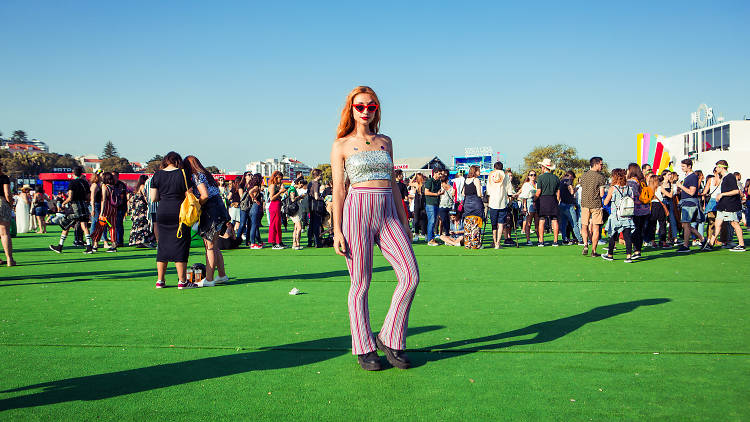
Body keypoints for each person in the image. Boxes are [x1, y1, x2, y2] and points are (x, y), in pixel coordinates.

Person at [331, 86, 418, 371]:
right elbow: (339, 188)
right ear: (351, 110)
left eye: (371, 106)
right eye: (360, 107)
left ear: (377, 109)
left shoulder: (386, 141)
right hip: (356, 211)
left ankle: (390, 337)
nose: (366, 111)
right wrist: (337, 230)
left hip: (389, 212)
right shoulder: (341, 145)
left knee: (410, 275)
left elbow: (393, 183)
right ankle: (364, 347)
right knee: (361, 283)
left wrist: (404, 219)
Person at [150, 152, 197, 289]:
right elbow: (189, 194)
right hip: (179, 211)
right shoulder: (183, 174)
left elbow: (153, 198)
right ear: (178, 161)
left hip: (162, 211)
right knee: (180, 244)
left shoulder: (157, 175)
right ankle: (182, 281)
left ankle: (160, 280)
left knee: (162, 245)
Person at [184, 155, 230, 286]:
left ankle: (209, 279)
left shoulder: (196, 176)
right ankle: (221, 275)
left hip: (210, 211)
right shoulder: (206, 174)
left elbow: (204, 195)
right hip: (220, 208)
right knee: (215, 245)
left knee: (209, 246)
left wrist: (197, 204)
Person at [702, 160, 745, 252]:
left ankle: (741, 244)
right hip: (723, 205)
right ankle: (710, 244)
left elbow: (736, 191)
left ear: (722, 167)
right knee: (717, 224)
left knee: (734, 223)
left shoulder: (730, 177)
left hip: (729, 205)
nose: (716, 169)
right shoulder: (724, 177)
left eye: (717, 167)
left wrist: (722, 194)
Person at [49, 167, 94, 254]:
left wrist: (63, 203)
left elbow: (70, 197)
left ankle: (60, 246)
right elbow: (88, 197)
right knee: (84, 226)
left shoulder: (72, 183)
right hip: (84, 206)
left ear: (73, 173)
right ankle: (89, 246)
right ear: (81, 173)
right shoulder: (85, 183)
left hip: (74, 208)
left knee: (66, 225)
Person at [601, 169, 635, 263]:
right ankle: (629, 256)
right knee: (627, 237)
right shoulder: (629, 188)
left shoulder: (613, 188)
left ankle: (610, 254)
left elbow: (605, 202)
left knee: (613, 236)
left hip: (616, 216)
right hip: (627, 215)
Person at [675, 159, 706, 253]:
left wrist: (680, 186)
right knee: (686, 224)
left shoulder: (692, 177)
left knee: (686, 224)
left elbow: (692, 192)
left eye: (683, 166)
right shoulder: (688, 176)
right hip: (687, 203)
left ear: (689, 166)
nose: (682, 168)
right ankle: (702, 240)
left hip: (689, 203)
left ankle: (687, 245)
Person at [487, 161, 514, 249]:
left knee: (494, 224)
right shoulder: (505, 176)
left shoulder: (491, 175)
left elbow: (488, 190)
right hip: (502, 202)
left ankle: (494, 241)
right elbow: (509, 190)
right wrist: (510, 200)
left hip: (493, 202)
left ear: (495, 168)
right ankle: (498, 242)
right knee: (501, 223)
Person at [90, 172, 119, 252]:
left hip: (107, 209)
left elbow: (103, 200)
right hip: (114, 208)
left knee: (100, 226)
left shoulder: (104, 186)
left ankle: (95, 245)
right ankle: (114, 245)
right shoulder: (113, 186)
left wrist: (101, 212)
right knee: (112, 227)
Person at [626, 163, 650, 259]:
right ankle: (638, 250)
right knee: (640, 230)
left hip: (635, 209)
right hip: (645, 208)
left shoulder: (631, 182)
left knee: (634, 230)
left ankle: (635, 250)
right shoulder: (642, 180)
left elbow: (632, 194)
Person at [534, 158, 560, 246]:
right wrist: (557, 200)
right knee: (554, 220)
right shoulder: (556, 178)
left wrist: (534, 199)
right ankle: (555, 241)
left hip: (543, 200)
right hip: (553, 199)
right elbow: (558, 192)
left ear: (544, 167)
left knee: (542, 220)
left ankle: (541, 241)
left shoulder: (541, 177)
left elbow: (538, 191)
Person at [128, 175, 155, 248]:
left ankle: (138, 241)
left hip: (137, 209)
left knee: (138, 224)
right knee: (143, 223)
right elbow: (145, 196)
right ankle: (144, 240)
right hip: (142, 208)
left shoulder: (137, 188)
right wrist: (149, 203)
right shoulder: (143, 187)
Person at [558, 171, 582, 245]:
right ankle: (580, 239)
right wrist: (575, 189)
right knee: (574, 223)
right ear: (571, 176)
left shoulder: (561, 181)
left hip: (562, 204)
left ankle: (565, 239)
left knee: (564, 223)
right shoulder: (568, 181)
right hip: (569, 205)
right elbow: (571, 192)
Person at [0, 163, 15, 266]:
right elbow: (8, 194)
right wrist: (10, 204)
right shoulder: (4, 178)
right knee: (5, 233)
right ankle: (9, 259)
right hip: (2, 203)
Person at [267, 170, 287, 249]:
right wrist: (280, 192)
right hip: (274, 205)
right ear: (276, 178)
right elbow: (271, 198)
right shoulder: (272, 186)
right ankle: (274, 243)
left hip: (277, 205)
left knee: (278, 225)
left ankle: (279, 241)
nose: (280, 180)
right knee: (274, 225)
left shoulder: (276, 185)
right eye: (279, 178)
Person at [423, 167, 443, 246]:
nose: (440, 175)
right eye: (439, 173)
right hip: (430, 204)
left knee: (434, 222)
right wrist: (436, 194)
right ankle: (430, 240)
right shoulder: (429, 181)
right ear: (434, 173)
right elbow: (426, 192)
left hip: (436, 203)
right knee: (431, 221)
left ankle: (432, 238)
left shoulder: (439, 181)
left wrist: (440, 193)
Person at [519, 171, 539, 246]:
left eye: (534, 175)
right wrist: (524, 207)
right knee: (528, 222)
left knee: (537, 223)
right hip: (529, 201)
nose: (533, 176)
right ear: (528, 176)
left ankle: (539, 239)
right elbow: (524, 196)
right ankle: (528, 240)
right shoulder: (526, 185)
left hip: (537, 201)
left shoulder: (537, 184)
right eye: (531, 175)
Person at [290, 178, 308, 250]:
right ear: (298, 183)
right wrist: (301, 196)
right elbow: (293, 199)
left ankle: (295, 243)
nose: (302, 186)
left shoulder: (293, 189)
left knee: (296, 228)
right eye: (301, 184)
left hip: (296, 210)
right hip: (295, 210)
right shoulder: (292, 189)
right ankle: (296, 244)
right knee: (299, 227)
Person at [437, 170, 455, 243]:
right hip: (450, 205)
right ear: (447, 180)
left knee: (444, 221)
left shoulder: (440, 187)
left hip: (442, 205)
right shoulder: (451, 187)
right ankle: (449, 234)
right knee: (450, 221)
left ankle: (446, 234)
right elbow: (453, 196)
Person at [307, 168, 324, 247]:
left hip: (311, 205)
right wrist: (322, 198)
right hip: (316, 205)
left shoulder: (310, 183)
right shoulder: (316, 183)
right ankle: (317, 242)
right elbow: (316, 196)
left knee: (311, 224)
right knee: (316, 224)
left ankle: (310, 241)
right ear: (318, 175)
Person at [408, 173, 427, 241]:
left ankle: (420, 234)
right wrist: (414, 176)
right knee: (420, 219)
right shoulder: (420, 184)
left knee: (421, 219)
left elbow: (410, 183)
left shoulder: (422, 184)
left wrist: (414, 176)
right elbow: (410, 183)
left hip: (420, 202)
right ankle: (421, 234)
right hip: (419, 202)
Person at [112, 171, 128, 248]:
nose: (112, 177)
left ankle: (119, 241)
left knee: (118, 224)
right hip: (113, 207)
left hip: (120, 207)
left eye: (114, 176)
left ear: (117, 176)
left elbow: (122, 197)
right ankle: (114, 240)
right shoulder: (110, 185)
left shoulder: (121, 185)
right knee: (113, 225)